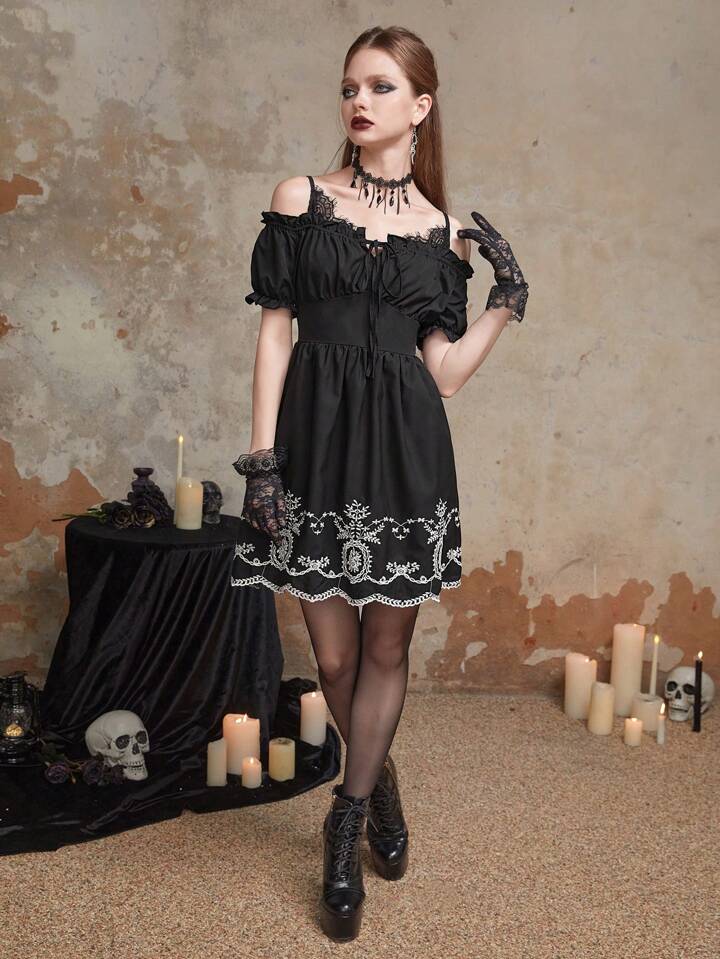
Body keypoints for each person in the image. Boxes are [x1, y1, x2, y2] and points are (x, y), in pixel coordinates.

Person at [230, 25, 528, 942]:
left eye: (381, 86)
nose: (359, 101)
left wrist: (504, 303)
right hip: (315, 445)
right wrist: (262, 459)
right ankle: (376, 768)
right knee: (334, 661)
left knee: (385, 654)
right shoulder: (302, 197)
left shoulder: (441, 231)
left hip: (405, 454)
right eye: (350, 87)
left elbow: (444, 374)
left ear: (420, 106)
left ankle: (346, 815)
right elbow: (275, 333)